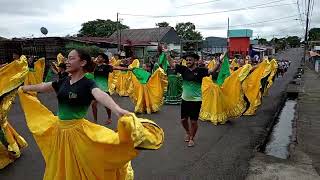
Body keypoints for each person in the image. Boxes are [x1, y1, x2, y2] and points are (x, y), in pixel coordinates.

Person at [19, 49, 164, 179]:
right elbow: (45, 86)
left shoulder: (88, 83)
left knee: (86, 165)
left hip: (77, 133)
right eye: (67, 58)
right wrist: (25, 88)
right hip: (59, 132)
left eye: (71, 58)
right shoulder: (63, 81)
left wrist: (116, 109)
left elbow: (100, 94)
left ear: (82, 62)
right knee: (61, 165)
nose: (66, 62)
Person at [167, 50, 220, 147]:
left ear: (195, 61)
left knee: (193, 121)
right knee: (183, 120)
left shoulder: (201, 70)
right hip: (185, 100)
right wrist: (167, 54)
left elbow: (212, 71)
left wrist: (219, 62)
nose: (188, 62)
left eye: (190, 60)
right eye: (186, 60)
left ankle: (192, 138)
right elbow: (172, 65)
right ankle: (187, 132)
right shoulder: (183, 69)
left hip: (196, 101)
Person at [91, 53, 127, 124]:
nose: (98, 58)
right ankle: (95, 121)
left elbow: (116, 68)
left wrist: (128, 69)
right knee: (93, 104)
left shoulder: (106, 66)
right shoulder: (95, 66)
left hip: (104, 89)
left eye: (100, 57)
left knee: (106, 105)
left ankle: (109, 118)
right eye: (98, 57)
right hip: (96, 89)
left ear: (104, 59)